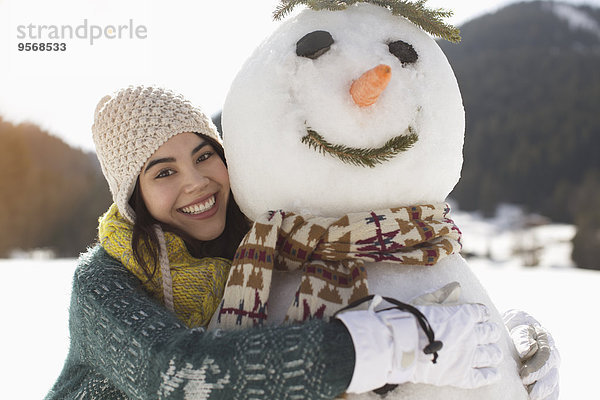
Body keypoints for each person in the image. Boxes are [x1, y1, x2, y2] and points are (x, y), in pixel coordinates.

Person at [45, 86, 502, 399]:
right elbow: (178, 376)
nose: (197, 182)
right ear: (134, 196)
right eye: (164, 172)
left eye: (205, 155)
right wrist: (382, 346)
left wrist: (507, 346)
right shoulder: (102, 283)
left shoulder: (261, 248)